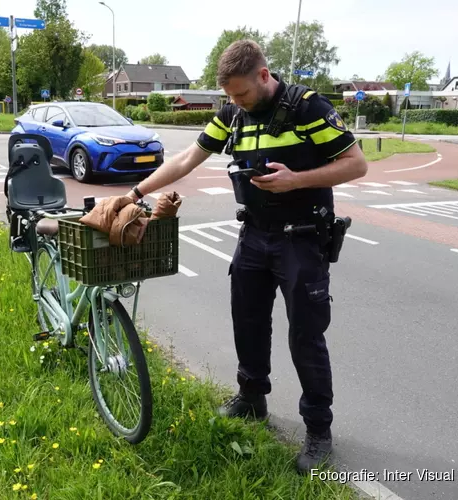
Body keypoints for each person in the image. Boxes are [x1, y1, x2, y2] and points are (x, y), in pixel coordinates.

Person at [125, 40, 367, 473]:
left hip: (303, 238)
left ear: (263, 75)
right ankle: (252, 398)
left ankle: (318, 432)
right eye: (230, 96)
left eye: (241, 93)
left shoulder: (308, 108)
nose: (235, 102)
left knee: (305, 338)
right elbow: (187, 157)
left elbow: (355, 164)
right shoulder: (233, 114)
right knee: (247, 320)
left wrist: (297, 181)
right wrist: (136, 192)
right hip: (254, 235)